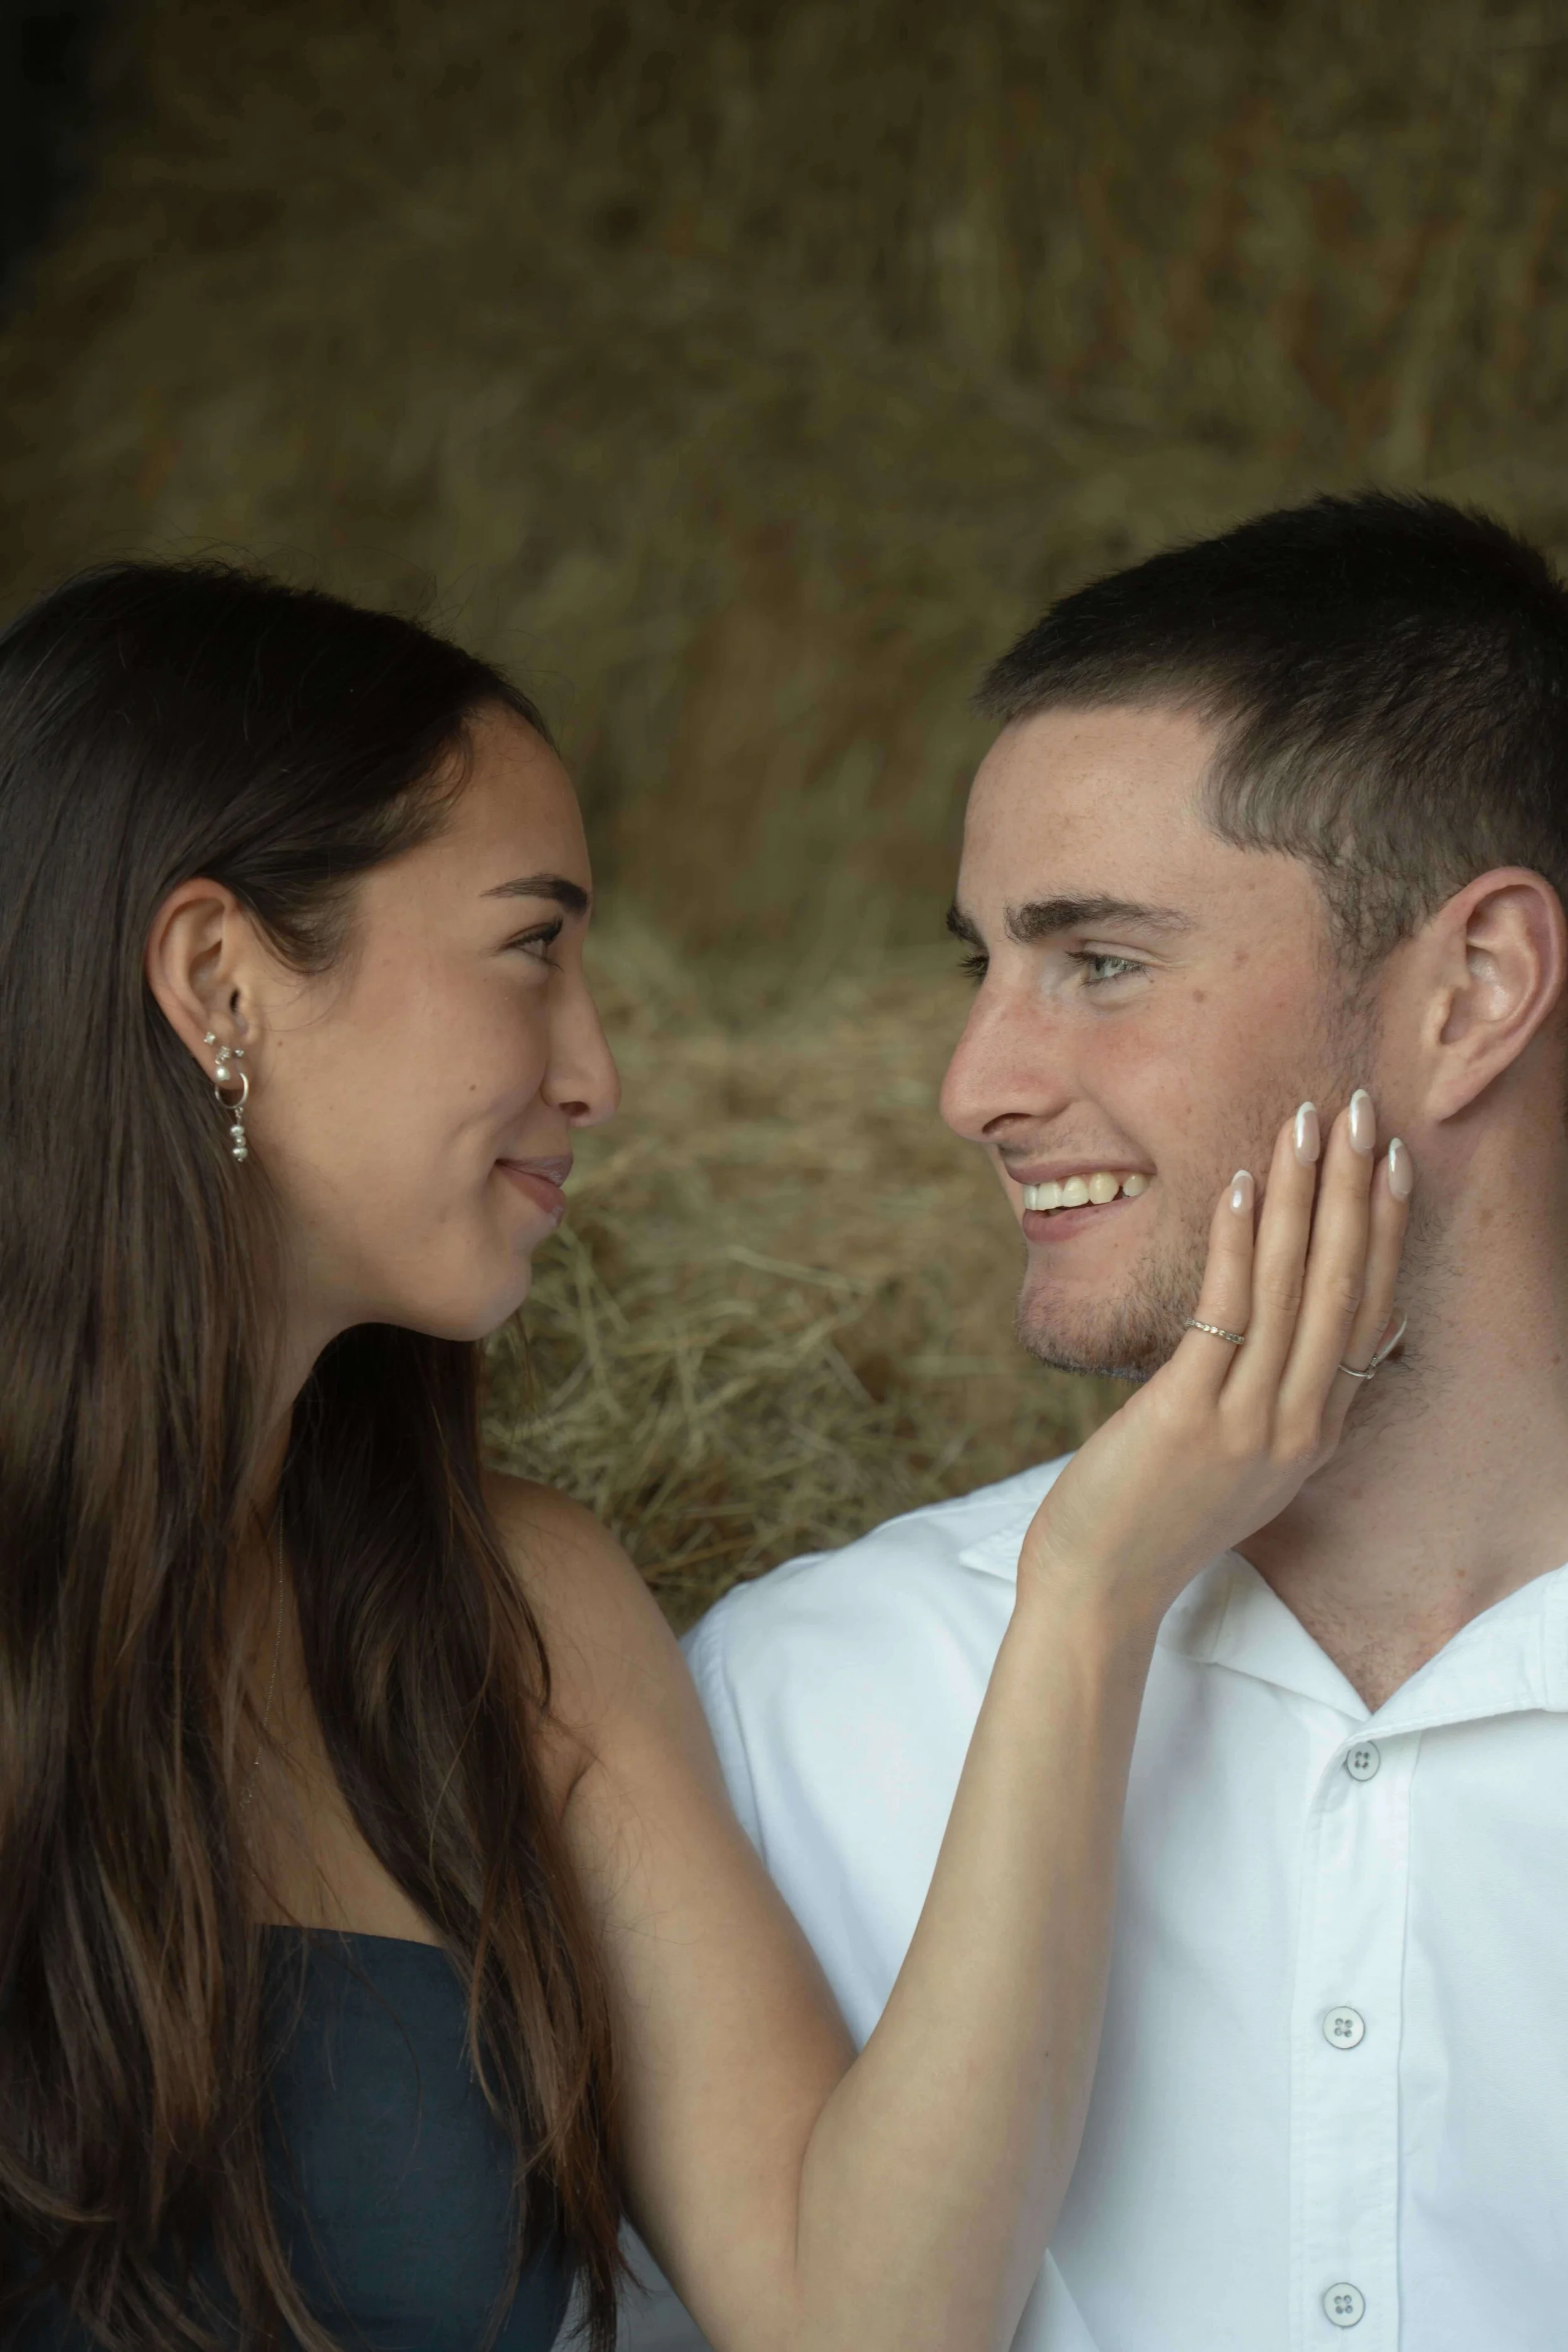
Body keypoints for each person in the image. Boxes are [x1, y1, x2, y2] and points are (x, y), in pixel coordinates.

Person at [0, 559, 1402, 2352]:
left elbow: (858, 2320)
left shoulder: (516, 1620)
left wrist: (1090, 1584)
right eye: (531, 944)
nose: (595, 1069)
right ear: (218, 979)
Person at [637, 491, 1568, 2352]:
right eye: (976, 962)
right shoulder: (799, 1699)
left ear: (1469, 992)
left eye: (1100, 962)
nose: (973, 1082)